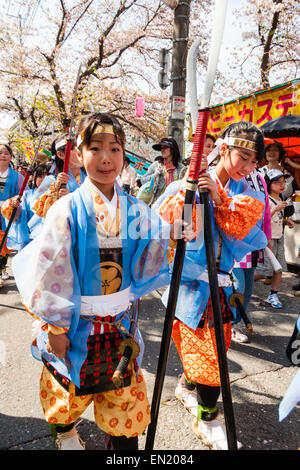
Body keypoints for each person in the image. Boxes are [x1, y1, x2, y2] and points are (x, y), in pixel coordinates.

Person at [11, 112, 192, 451]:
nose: (106, 157)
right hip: (75, 325)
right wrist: (55, 327)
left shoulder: (136, 210)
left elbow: (159, 236)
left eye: (115, 148)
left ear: (124, 155)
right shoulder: (65, 210)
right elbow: (52, 270)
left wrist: (180, 228)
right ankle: (66, 434)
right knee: (66, 400)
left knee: (127, 415)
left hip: (120, 325)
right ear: (79, 154)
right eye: (95, 148)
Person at [156, 121, 267, 450]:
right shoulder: (183, 186)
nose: (246, 166)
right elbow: (161, 228)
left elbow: (246, 234)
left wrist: (219, 199)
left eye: (252, 161)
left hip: (217, 286)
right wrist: (188, 200)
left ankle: (191, 390)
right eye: (242, 156)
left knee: (213, 351)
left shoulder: (248, 195)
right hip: (188, 287)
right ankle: (208, 417)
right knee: (207, 354)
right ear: (223, 149)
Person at [231, 167, 272, 343]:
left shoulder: (260, 178)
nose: (250, 162)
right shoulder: (233, 173)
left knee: (248, 287)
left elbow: (266, 211)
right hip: (234, 240)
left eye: (254, 158)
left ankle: (237, 322)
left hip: (254, 241)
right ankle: (229, 324)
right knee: (238, 286)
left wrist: (267, 236)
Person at [255, 169, 294, 309]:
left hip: (279, 237)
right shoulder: (266, 200)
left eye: (283, 182)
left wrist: (286, 221)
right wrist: (276, 209)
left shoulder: (280, 199)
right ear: (269, 184)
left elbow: (278, 219)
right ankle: (241, 282)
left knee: (279, 269)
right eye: (277, 183)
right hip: (268, 239)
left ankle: (273, 294)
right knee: (263, 272)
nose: (281, 185)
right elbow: (262, 220)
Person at [1, 164, 49, 250]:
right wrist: (15, 207)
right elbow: (20, 214)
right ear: (34, 178)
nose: (43, 180)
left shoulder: (53, 196)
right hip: (28, 234)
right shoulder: (27, 194)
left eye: (46, 177)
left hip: (47, 235)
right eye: (40, 177)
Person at [0, 143, 25, 285]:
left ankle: (2, 268)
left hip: (8, 214)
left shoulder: (17, 176)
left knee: (5, 242)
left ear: (10, 157)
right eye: (0, 153)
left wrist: (16, 202)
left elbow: (24, 193)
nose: (3, 155)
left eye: (6, 153)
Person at [138, 138, 184, 204]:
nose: (162, 150)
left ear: (172, 149)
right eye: (161, 148)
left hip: (174, 205)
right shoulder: (156, 165)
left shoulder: (181, 168)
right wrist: (155, 175)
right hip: (157, 204)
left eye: (165, 147)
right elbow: (141, 181)